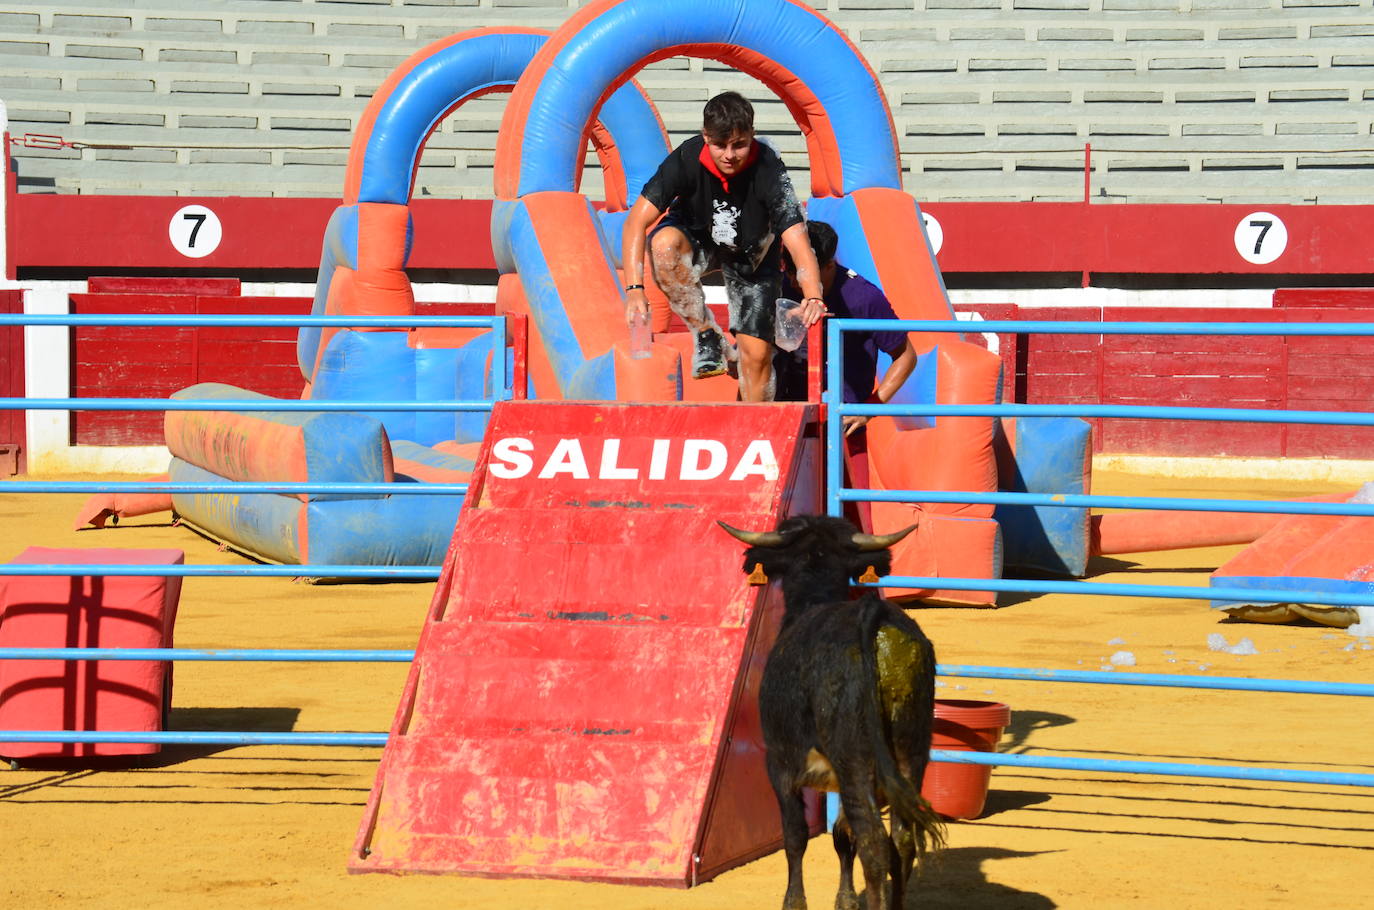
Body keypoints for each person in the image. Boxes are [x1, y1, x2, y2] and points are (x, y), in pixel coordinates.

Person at [622, 91, 826, 401]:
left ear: (752, 137)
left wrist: (813, 294)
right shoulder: (686, 158)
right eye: (720, 145)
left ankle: (757, 430)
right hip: (700, 237)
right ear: (706, 137)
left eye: (739, 145)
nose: (729, 155)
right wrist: (635, 289)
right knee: (663, 245)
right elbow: (635, 222)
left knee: (755, 358)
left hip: (753, 256)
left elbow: (797, 238)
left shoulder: (769, 168)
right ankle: (706, 333)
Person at [775, 219, 918, 530]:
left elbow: (906, 356)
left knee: (849, 528)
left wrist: (869, 408)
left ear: (827, 265)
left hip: (842, 428)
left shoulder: (863, 297)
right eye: (791, 269)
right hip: (787, 421)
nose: (797, 280)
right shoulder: (779, 283)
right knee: (779, 520)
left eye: (803, 271)